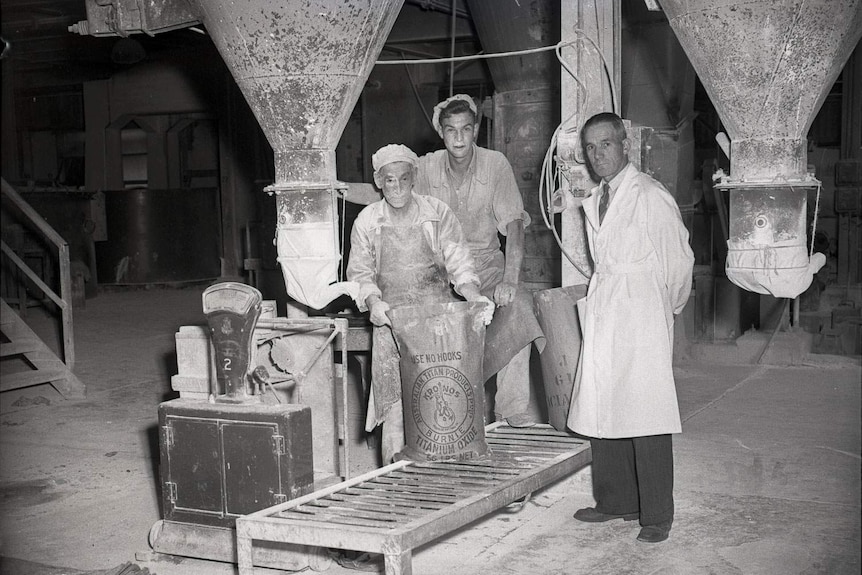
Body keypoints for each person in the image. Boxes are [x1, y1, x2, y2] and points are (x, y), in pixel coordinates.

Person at [566, 112, 694, 543]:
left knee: (646, 409)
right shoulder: (597, 197)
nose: (597, 153)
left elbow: (679, 263)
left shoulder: (650, 196)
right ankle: (615, 500)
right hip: (607, 305)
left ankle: (657, 513)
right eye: (590, 147)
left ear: (625, 145)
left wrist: (665, 311)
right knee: (606, 402)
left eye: (605, 144)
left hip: (640, 309)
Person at [346, 143, 494, 464]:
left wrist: (474, 297)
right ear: (377, 180)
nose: (396, 187)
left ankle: (451, 479)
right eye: (388, 181)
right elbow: (360, 273)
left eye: (403, 178)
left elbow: (460, 262)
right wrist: (374, 303)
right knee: (397, 408)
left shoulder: (437, 213)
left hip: (438, 327)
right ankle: (397, 483)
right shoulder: (367, 221)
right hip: (392, 325)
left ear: (414, 177)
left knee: (445, 397)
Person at [415, 94, 545, 428]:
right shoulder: (427, 167)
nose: (458, 138)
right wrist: (338, 188)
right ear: (441, 133)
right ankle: (441, 414)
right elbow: (389, 187)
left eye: (465, 129)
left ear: (475, 130)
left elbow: (515, 226)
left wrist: (510, 281)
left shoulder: (495, 164)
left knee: (518, 308)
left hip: (487, 267)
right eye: (450, 130)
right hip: (441, 272)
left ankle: (510, 410)